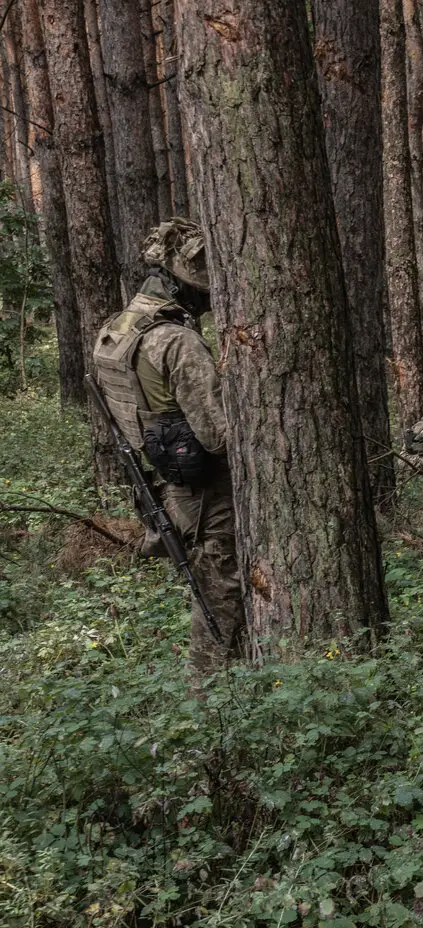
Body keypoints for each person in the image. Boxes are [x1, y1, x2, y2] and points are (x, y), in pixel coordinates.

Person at [90, 218, 242, 671]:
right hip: (202, 491)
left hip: (164, 481)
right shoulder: (176, 341)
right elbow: (219, 436)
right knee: (220, 593)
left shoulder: (119, 328)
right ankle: (212, 699)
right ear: (184, 285)